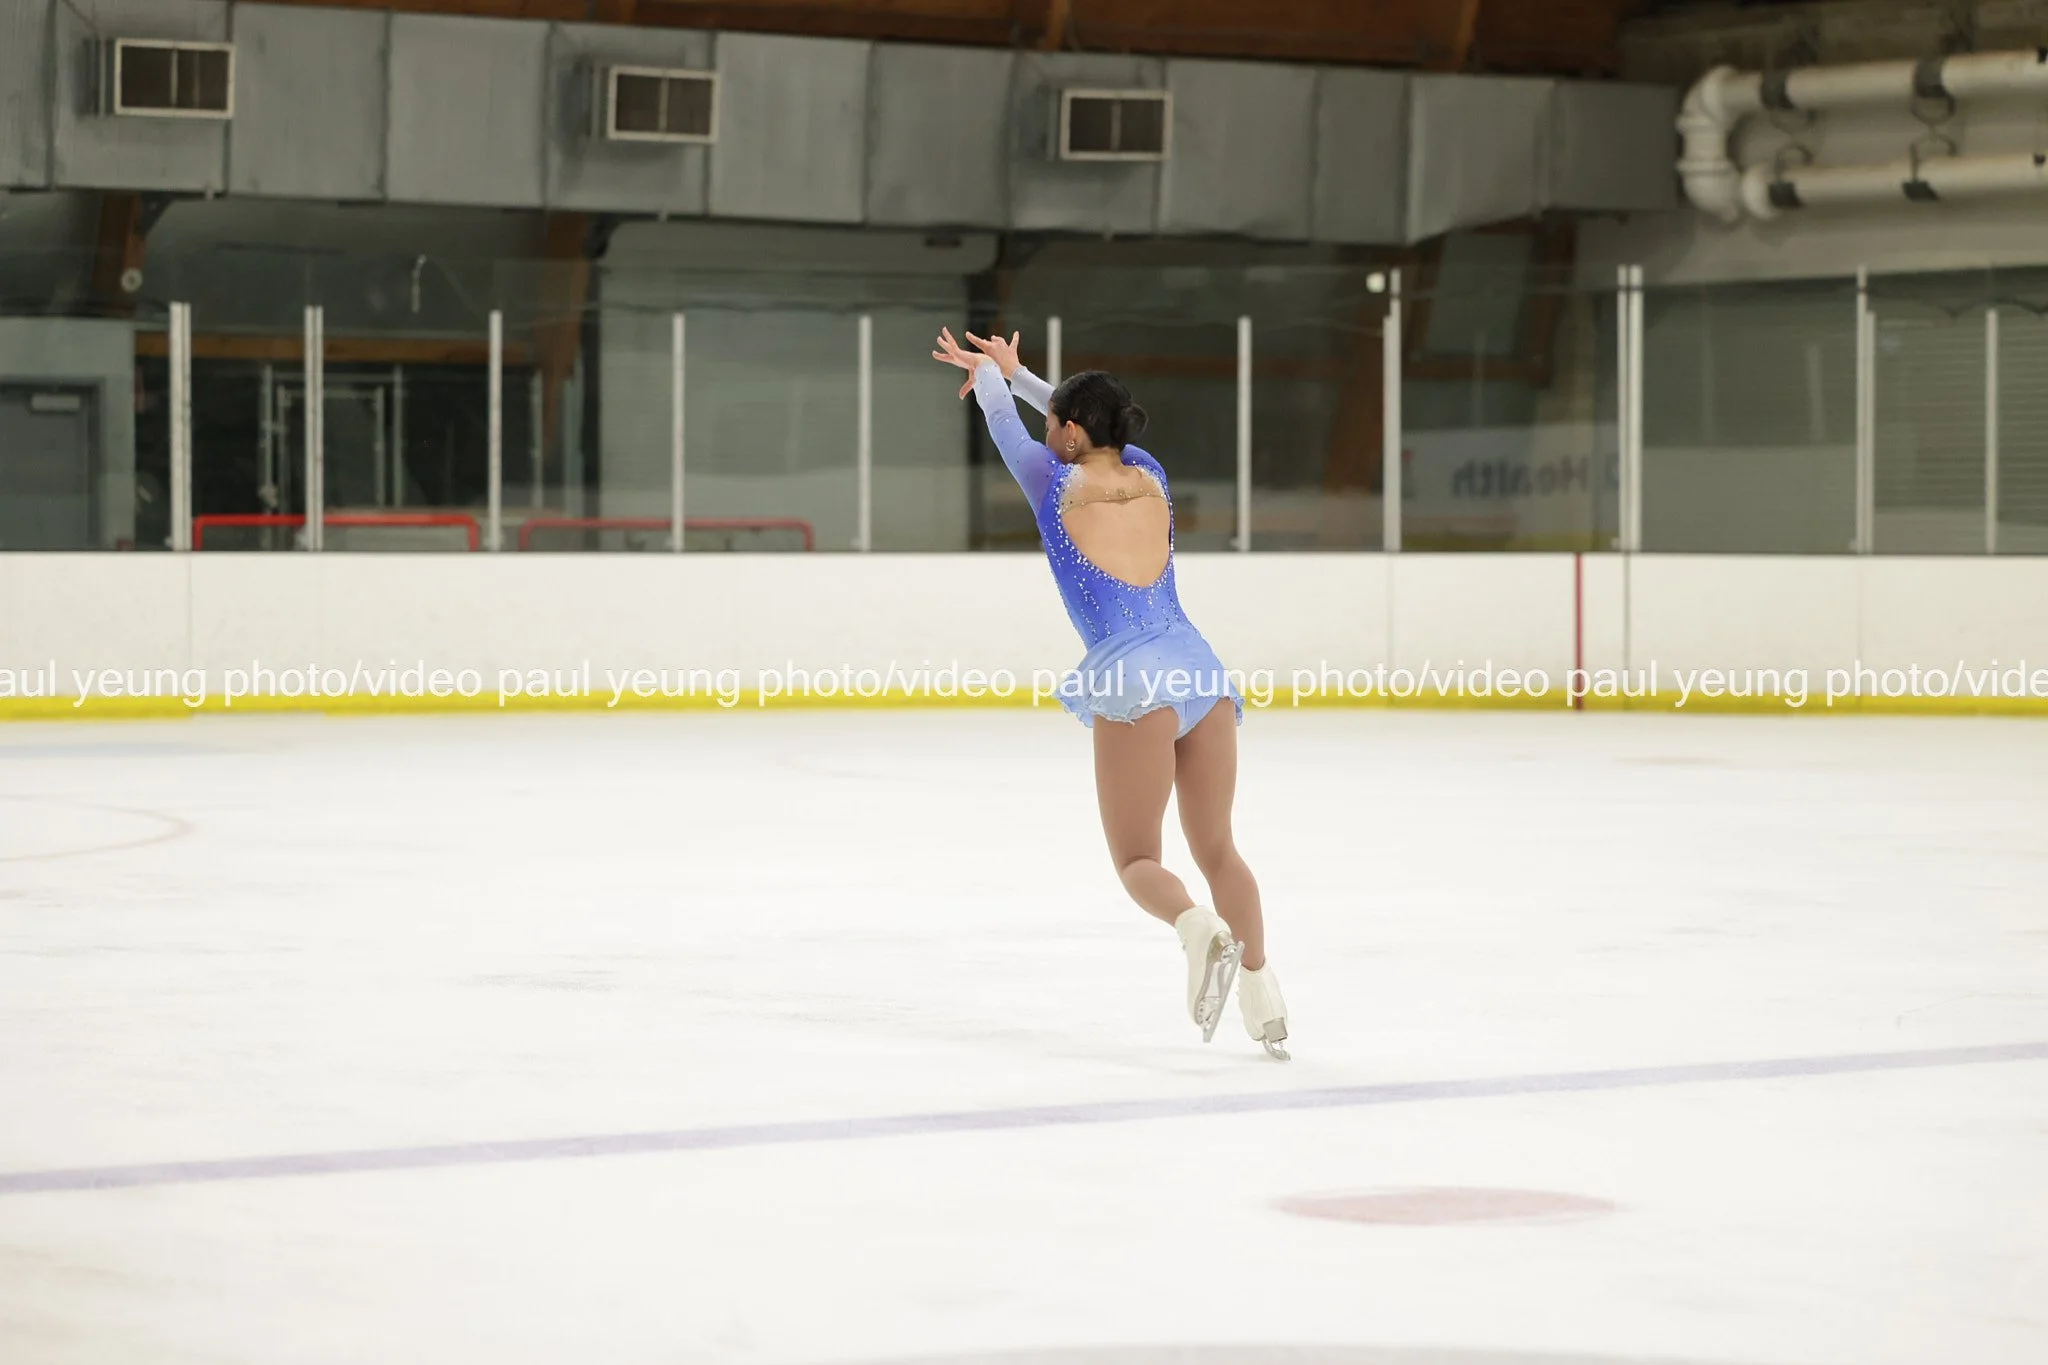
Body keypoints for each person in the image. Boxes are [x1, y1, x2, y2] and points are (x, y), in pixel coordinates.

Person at [933, 327, 1288, 1060]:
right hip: (1200, 672)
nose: (1046, 431)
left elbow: (1001, 420)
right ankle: (1264, 997)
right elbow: (1081, 420)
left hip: (1133, 682)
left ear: (1067, 433)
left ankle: (1198, 928)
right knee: (1219, 849)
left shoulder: (1050, 479)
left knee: (1137, 861)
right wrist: (1020, 373)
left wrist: (992, 374)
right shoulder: (1150, 471)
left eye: (1055, 424)